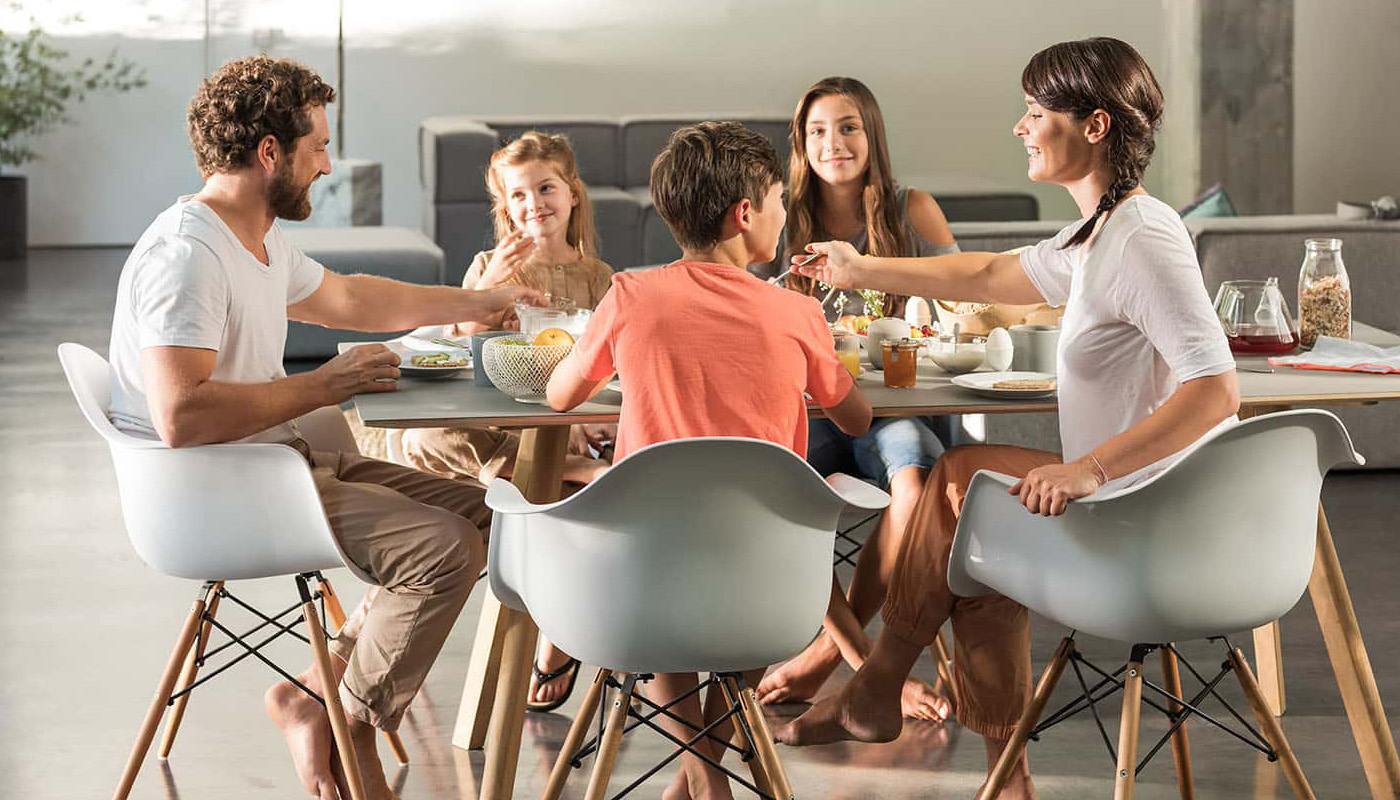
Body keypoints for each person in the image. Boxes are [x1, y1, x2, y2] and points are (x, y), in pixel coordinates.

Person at [775, 38, 1240, 800]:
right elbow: (989, 273)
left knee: (965, 483)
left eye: (1034, 113)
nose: (1020, 128)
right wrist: (857, 268)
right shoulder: (1102, 233)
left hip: (1158, 519)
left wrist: (1089, 466)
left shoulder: (1144, 238)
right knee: (978, 513)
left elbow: (1217, 389)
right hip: (1129, 507)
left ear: (1094, 126)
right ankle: (992, 767)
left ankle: (879, 689)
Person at [107, 55, 540, 800]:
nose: (329, 164)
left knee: (492, 513)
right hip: (216, 489)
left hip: (273, 464)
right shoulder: (190, 254)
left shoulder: (256, 237)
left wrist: (477, 304)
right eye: (318, 147)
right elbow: (182, 415)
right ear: (270, 152)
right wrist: (323, 384)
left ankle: (316, 697)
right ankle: (353, 728)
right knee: (443, 549)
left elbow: (351, 297)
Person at [546, 121, 872, 800]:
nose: (785, 213)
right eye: (781, 199)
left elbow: (561, 395)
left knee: (666, 554)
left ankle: (699, 780)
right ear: (746, 215)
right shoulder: (795, 313)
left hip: (644, 583)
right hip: (771, 587)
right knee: (742, 578)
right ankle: (706, 781)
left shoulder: (631, 296)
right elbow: (856, 419)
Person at [753, 76, 957, 723]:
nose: (832, 143)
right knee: (769, 484)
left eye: (847, 127)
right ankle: (869, 663)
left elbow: (960, 309)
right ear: (799, 142)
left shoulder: (911, 210)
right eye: (817, 130)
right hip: (808, 412)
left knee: (916, 484)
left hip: (895, 409)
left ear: (872, 136)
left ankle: (821, 660)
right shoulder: (779, 217)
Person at [397, 131, 614, 712]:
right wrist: (488, 290)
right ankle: (558, 475)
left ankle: (554, 473)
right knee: (422, 434)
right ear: (505, 208)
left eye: (544, 189)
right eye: (517, 196)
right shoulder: (486, 268)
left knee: (596, 450)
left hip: (562, 419)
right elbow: (463, 350)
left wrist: (596, 415)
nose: (532, 204)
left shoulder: (598, 277)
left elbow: (608, 361)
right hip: (497, 422)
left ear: (571, 194)